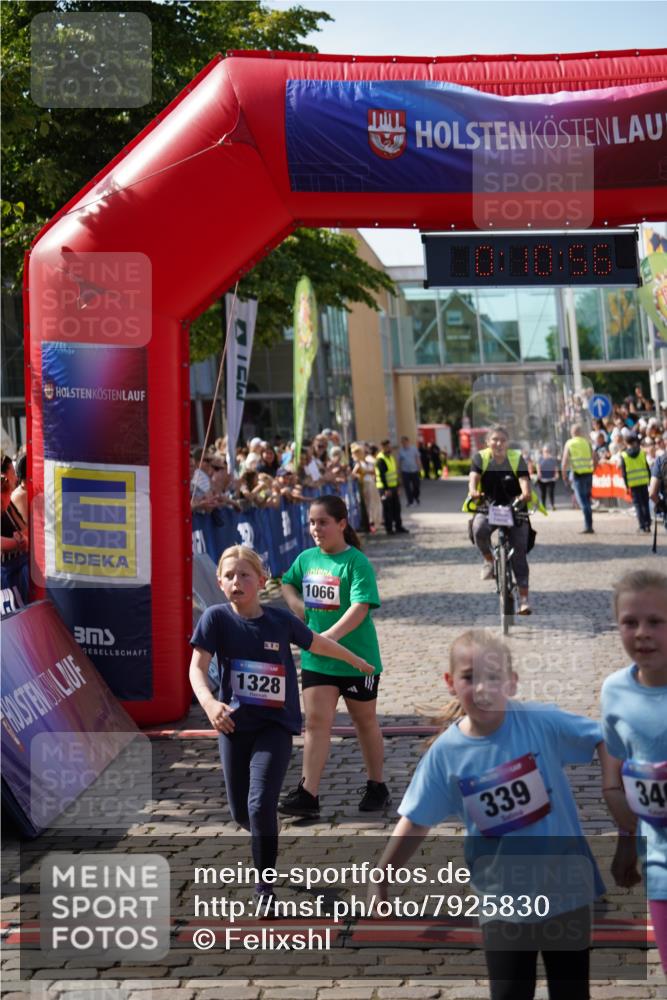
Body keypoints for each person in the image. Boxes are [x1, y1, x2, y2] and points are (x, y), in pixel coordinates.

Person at [376, 629, 606, 1000]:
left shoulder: (539, 721)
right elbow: (416, 819)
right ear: (451, 683)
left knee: (572, 991)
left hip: (565, 893)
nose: (482, 687)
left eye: (493, 677)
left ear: (512, 683)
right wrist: (381, 877)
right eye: (469, 677)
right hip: (503, 901)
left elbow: (602, 736)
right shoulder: (447, 753)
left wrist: (616, 791)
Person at [189, 545, 374, 906]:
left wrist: (357, 662)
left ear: (261, 580)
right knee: (241, 812)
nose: (236, 582)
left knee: (259, 805)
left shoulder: (279, 620)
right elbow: (197, 668)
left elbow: (318, 644)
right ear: (219, 582)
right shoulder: (215, 619)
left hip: (274, 726)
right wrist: (210, 703)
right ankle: (265, 836)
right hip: (233, 727)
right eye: (229, 576)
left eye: (244, 575)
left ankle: (264, 888)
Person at [279, 494, 389, 817]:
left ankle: (376, 785)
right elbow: (286, 583)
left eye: (322, 522)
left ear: (341, 524)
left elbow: (361, 607)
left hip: (358, 660)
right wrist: (298, 608)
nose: (315, 528)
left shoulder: (356, 562)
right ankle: (308, 794)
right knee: (315, 723)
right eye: (311, 522)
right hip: (317, 660)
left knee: (364, 721)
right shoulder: (306, 558)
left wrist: (327, 638)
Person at [600, 570, 667, 973]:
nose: (641, 633)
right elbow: (624, 773)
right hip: (660, 864)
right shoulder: (614, 692)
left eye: (656, 622)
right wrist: (627, 839)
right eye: (630, 622)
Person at [466, 425, 533, 615]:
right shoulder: (480, 458)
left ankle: (524, 600)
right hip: (489, 505)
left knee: (519, 551)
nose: (498, 443)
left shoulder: (515, 458)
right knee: (478, 529)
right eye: (494, 439)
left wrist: (525, 493)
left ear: (508, 443)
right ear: (487, 442)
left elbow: (523, 479)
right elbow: (473, 477)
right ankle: (489, 561)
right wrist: (473, 490)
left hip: (514, 506)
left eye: (502, 440)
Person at [1, 453, 30, 606]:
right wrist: (17, 542)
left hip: (17, 568)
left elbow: (24, 530)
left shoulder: (9, 502)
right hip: (10, 573)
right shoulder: (17, 496)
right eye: (12, 472)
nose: (15, 477)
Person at [561, 423, 596, 534]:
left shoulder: (570, 443)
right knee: (587, 500)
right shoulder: (587, 442)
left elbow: (565, 460)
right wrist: (593, 469)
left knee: (583, 502)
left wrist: (564, 475)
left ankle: (588, 526)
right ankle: (589, 524)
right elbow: (595, 457)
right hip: (588, 474)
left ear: (572, 433)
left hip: (578, 475)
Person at [619, 433, 652, 533]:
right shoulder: (642, 453)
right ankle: (648, 525)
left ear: (626, 443)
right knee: (645, 504)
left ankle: (642, 526)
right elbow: (647, 467)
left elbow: (624, 472)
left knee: (638, 505)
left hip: (633, 484)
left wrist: (626, 485)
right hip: (643, 482)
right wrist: (650, 480)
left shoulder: (624, 455)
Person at [375, 439, 408, 535]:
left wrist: (398, 486)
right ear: (383, 447)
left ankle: (398, 526)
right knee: (387, 509)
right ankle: (389, 529)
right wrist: (386, 489)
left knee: (396, 508)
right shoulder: (380, 459)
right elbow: (382, 475)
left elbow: (394, 473)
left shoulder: (390, 457)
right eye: (388, 447)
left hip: (393, 487)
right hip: (385, 488)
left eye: (390, 446)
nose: (390, 448)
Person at [351, 444, 382, 534]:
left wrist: (367, 472)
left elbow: (373, 472)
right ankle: (369, 523)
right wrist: (361, 474)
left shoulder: (367, 462)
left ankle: (374, 522)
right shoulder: (358, 464)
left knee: (374, 503)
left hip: (371, 484)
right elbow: (354, 474)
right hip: (364, 485)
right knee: (367, 505)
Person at [398, 436, 421, 507]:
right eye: (402, 442)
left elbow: (417, 458)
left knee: (416, 486)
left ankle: (415, 497)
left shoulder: (414, 449)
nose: (403, 444)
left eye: (404, 442)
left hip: (414, 470)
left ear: (407, 441)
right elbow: (400, 461)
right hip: (405, 471)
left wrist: (419, 467)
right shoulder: (401, 450)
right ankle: (410, 501)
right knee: (407, 487)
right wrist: (399, 471)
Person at [536, 445, 558, 511]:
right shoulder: (540, 458)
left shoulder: (552, 459)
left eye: (548, 451)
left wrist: (556, 474)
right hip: (542, 479)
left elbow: (555, 467)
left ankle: (552, 505)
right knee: (543, 493)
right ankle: (543, 505)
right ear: (543, 451)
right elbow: (538, 466)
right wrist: (539, 473)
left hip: (551, 478)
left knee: (551, 492)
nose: (546, 452)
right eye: (545, 451)